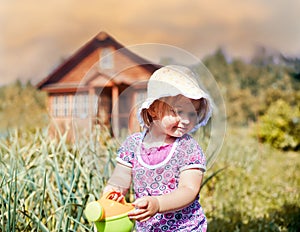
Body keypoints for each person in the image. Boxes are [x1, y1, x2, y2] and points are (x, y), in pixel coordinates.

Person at [103, 65, 212, 231]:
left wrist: (158, 203)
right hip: (147, 227)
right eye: (179, 111)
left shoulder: (188, 148)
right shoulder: (133, 144)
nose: (186, 120)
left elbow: (189, 189)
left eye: (192, 113)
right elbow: (120, 178)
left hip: (184, 227)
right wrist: (112, 193)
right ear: (153, 110)